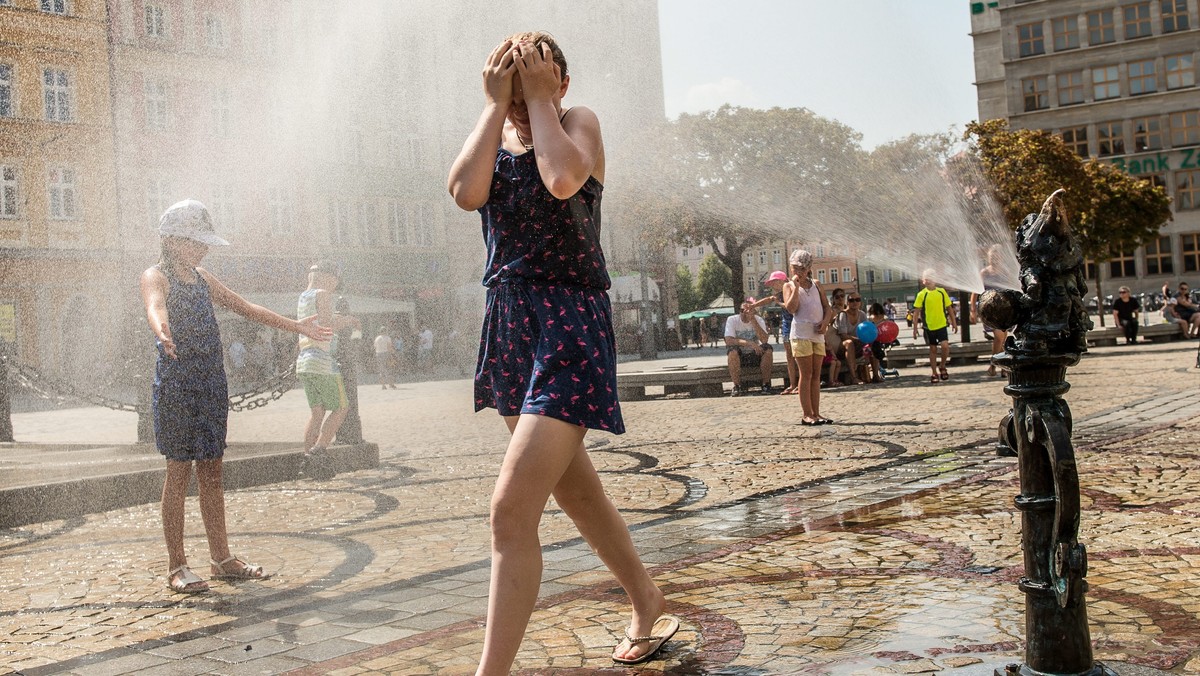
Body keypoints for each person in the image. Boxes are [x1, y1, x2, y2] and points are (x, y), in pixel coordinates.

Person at [447, 31, 676, 672]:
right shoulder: (498, 129)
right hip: (510, 325)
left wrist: (541, 102)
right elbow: (465, 192)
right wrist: (496, 108)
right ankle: (647, 597)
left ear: (560, 84)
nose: (522, 103)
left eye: (533, 87)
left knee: (511, 509)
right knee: (578, 494)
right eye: (511, 89)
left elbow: (562, 177)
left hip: (569, 324)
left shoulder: (578, 123)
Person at [139, 199, 331, 594]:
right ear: (173, 241)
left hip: (211, 382)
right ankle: (177, 565)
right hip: (177, 383)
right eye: (196, 242)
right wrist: (163, 332)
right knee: (178, 471)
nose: (203, 248)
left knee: (211, 469)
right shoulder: (155, 275)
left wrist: (295, 325)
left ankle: (221, 558)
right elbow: (155, 306)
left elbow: (246, 308)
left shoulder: (203, 278)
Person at [296, 260, 357, 458]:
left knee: (317, 413)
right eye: (335, 282)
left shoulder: (303, 297)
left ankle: (307, 457)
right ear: (327, 278)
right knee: (341, 408)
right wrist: (349, 320)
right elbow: (327, 325)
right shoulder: (322, 294)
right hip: (322, 362)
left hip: (305, 361)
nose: (335, 287)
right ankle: (319, 449)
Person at [782, 249, 833, 425]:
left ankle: (816, 413)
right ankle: (807, 414)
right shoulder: (788, 286)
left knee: (816, 374)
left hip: (817, 335)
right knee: (806, 373)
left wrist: (825, 322)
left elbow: (828, 308)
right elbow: (791, 308)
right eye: (795, 268)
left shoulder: (817, 284)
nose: (798, 272)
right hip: (800, 334)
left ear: (809, 269)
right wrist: (796, 287)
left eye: (802, 269)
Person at [754, 271, 798, 394]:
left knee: (799, 356)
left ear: (782, 281)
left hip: (797, 326)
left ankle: (800, 384)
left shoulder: (792, 289)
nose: (772, 285)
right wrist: (753, 306)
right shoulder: (780, 293)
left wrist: (778, 303)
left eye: (774, 282)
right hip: (786, 327)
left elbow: (791, 307)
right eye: (771, 283)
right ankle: (793, 384)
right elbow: (768, 300)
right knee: (789, 357)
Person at [971, 246, 1009, 377]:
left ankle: (1000, 366)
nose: (994, 258)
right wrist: (973, 310)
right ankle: (996, 364)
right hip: (989, 310)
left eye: (997, 256)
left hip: (1003, 309)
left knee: (1002, 339)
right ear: (988, 258)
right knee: (999, 337)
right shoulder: (984, 273)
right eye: (992, 256)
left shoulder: (1005, 272)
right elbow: (975, 292)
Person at [912, 269, 957, 384]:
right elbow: (916, 312)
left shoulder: (941, 292)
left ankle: (942, 366)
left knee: (945, 346)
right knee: (933, 349)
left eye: (930, 278)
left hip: (941, 325)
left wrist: (954, 322)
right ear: (923, 281)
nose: (928, 280)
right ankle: (934, 372)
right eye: (926, 278)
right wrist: (915, 328)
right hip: (928, 327)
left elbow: (949, 308)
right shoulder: (922, 294)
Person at [724, 298, 774, 395]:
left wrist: (753, 320)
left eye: (748, 310)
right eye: (742, 310)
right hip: (740, 355)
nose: (744, 313)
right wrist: (750, 343)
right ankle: (737, 386)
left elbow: (764, 340)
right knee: (732, 351)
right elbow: (729, 340)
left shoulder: (758, 320)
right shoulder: (732, 320)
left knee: (768, 349)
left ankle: (766, 384)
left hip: (755, 354)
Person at [833, 292, 869, 386]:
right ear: (847, 302)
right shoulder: (843, 315)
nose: (855, 302)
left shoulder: (862, 314)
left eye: (857, 300)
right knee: (849, 343)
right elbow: (843, 335)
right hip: (839, 346)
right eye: (851, 300)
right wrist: (858, 339)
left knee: (873, 342)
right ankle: (854, 377)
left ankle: (876, 373)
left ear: (860, 302)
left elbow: (868, 331)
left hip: (857, 343)